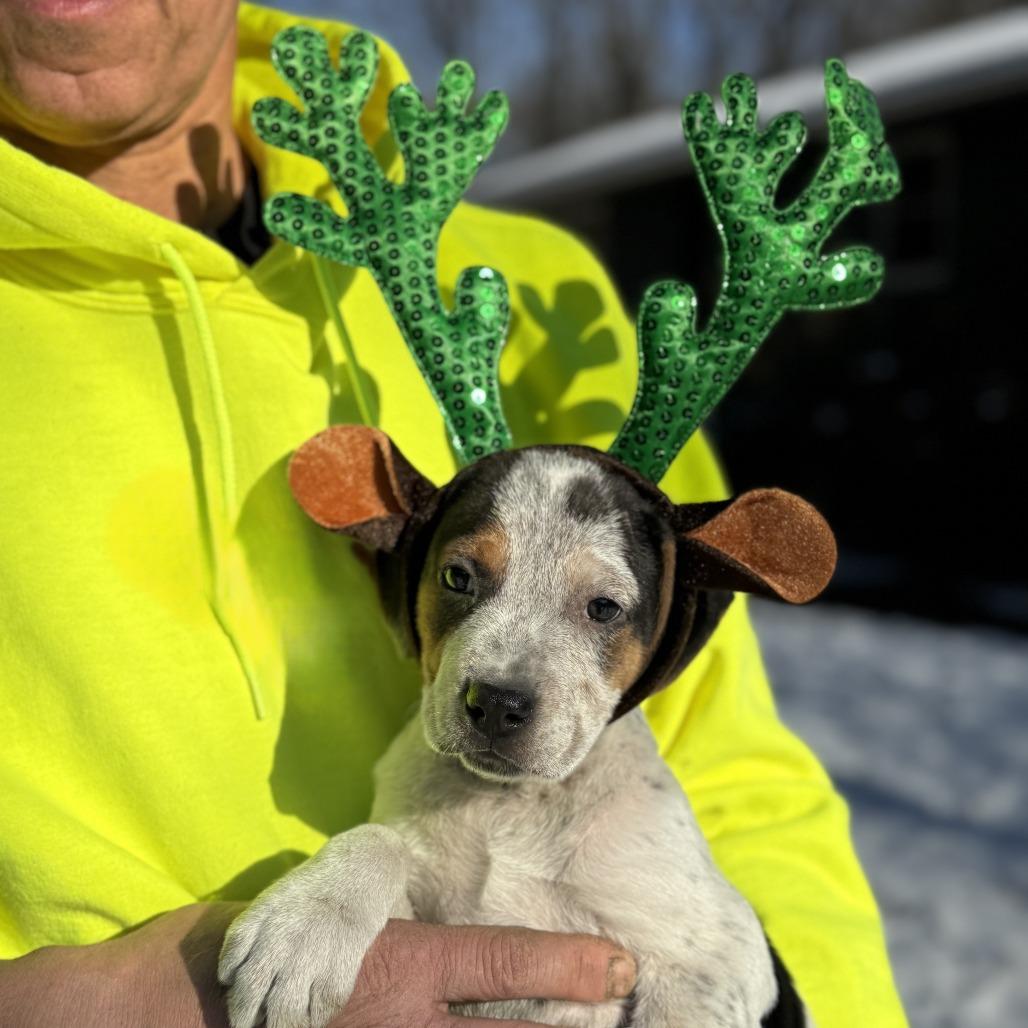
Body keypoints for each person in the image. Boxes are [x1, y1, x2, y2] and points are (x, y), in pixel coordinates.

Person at [0, 1, 908, 1025]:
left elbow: (738, 778)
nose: (505, 675)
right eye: (463, 578)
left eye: (599, 608)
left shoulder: (544, 295)